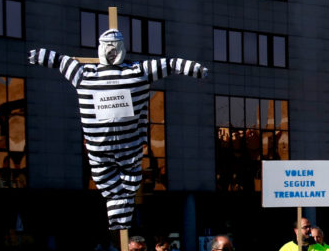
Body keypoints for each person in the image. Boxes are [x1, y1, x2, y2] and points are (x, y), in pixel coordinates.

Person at [28, 30, 208, 229]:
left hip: (113, 148)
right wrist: (193, 69)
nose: (112, 52)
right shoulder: (107, 73)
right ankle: (120, 218)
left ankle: (120, 218)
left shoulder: (97, 73)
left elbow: (62, 62)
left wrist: (192, 68)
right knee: (121, 177)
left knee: (117, 178)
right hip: (118, 148)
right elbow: (169, 64)